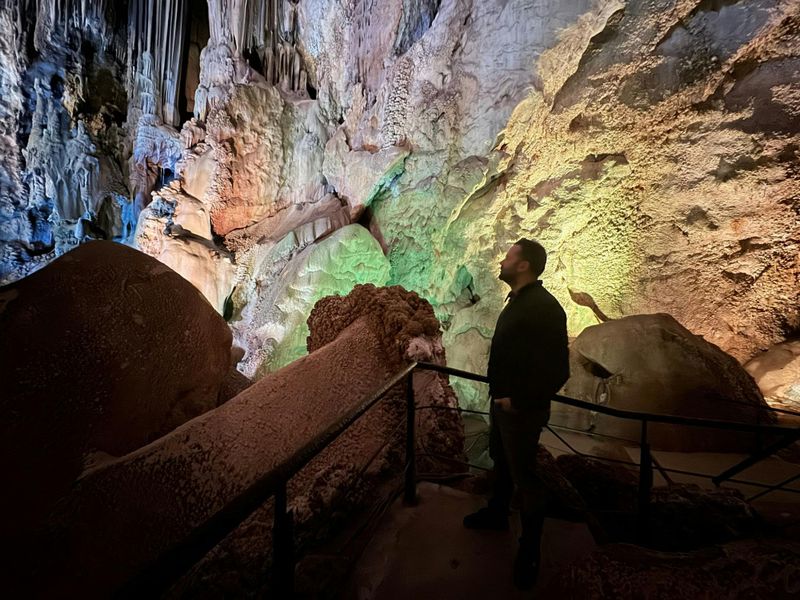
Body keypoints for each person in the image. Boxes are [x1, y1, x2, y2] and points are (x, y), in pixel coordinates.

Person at [463, 238, 570, 590]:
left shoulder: (544, 307)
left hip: (521, 410)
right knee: (503, 462)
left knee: (526, 478)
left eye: (509, 256)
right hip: (505, 404)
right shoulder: (522, 302)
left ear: (523, 265)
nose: (503, 260)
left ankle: (530, 550)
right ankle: (497, 513)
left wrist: (518, 400)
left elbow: (557, 370)